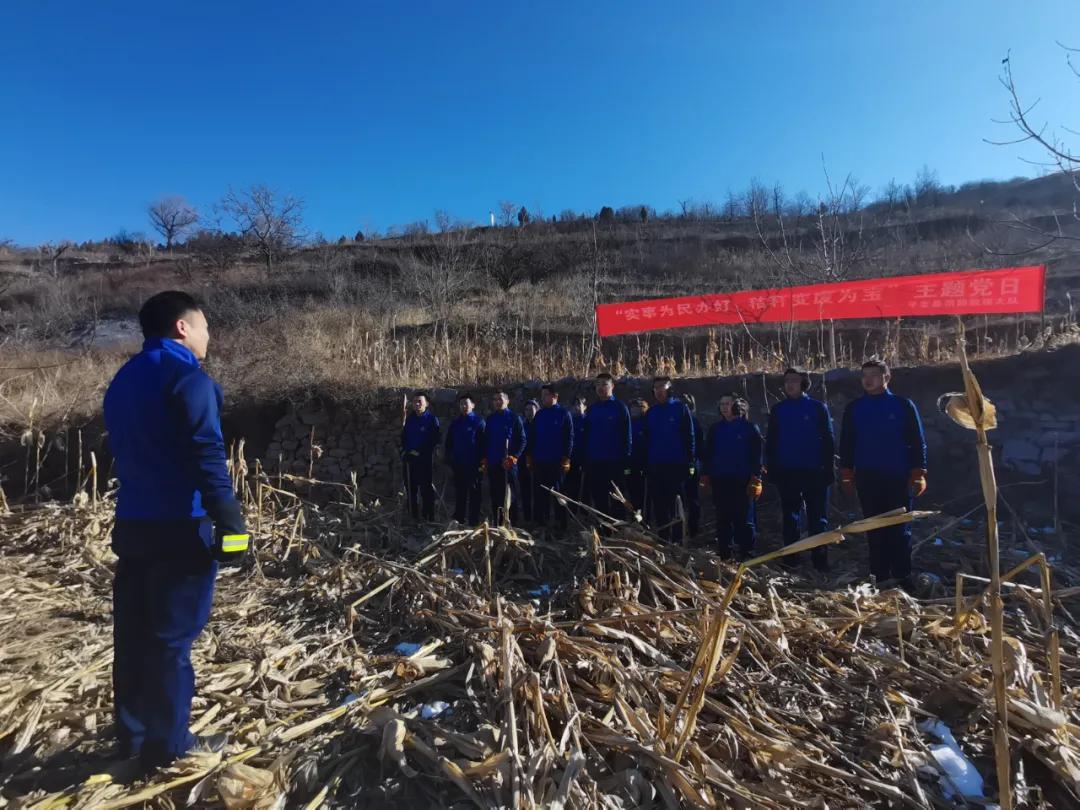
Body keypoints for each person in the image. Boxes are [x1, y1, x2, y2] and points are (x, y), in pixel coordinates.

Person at [103, 291, 247, 770]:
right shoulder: (188, 379)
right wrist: (230, 521)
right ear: (182, 328)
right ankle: (169, 746)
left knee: (134, 636)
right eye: (204, 326)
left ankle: (132, 735)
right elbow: (207, 453)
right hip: (180, 528)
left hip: (132, 525)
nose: (209, 336)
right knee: (170, 641)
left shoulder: (123, 379)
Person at [839, 359, 928, 587]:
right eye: (864, 375)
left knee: (899, 528)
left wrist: (918, 472)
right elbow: (847, 442)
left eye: (874, 375)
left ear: (886, 378)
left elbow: (916, 440)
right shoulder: (855, 408)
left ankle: (902, 575)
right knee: (874, 528)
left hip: (897, 475)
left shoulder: (902, 405)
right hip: (867, 476)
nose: (868, 380)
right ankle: (879, 577)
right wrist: (846, 472)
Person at [765, 367, 835, 571]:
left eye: (794, 380)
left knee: (817, 518)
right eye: (787, 380)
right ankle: (791, 559)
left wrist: (828, 468)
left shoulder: (817, 408)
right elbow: (771, 441)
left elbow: (828, 439)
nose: (790, 384)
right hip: (787, 471)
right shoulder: (778, 410)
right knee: (790, 517)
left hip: (814, 471)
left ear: (804, 383)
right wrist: (772, 467)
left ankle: (820, 561)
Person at [700, 395, 763, 559]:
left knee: (744, 519)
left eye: (727, 403)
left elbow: (757, 455)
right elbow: (708, 454)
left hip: (743, 480)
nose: (724, 407)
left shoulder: (750, 428)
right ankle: (725, 554)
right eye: (721, 404)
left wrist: (757, 478)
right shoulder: (715, 429)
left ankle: (747, 554)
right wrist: (705, 474)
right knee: (723, 518)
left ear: (737, 405)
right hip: (720, 479)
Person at [645, 376, 696, 542]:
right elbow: (646, 439)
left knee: (676, 504)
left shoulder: (680, 408)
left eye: (662, 386)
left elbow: (690, 436)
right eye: (656, 387)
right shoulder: (651, 412)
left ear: (669, 388)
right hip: (655, 465)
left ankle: (678, 540)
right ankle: (663, 539)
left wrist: (690, 461)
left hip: (676, 464)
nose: (659, 390)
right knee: (659, 506)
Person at [583, 373, 632, 515]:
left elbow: (627, 435)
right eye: (598, 384)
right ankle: (603, 527)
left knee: (617, 499)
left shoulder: (620, 407)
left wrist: (626, 458)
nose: (600, 387)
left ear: (612, 386)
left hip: (615, 461)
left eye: (604, 384)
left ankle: (619, 526)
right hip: (595, 462)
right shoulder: (592, 409)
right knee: (599, 499)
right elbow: (586, 435)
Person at [529, 385, 574, 528]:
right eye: (541, 395)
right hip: (540, 461)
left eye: (545, 395)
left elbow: (569, 438)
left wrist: (566, 458)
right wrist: (530, 456)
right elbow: (533, 437)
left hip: (557, 462)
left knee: (558, 495)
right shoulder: (539, 415)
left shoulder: (564, 414)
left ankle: (561, 525)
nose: (542, 398)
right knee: (540, 495)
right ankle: (542, 524)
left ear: (555, 396)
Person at [484, 391, 527, 525]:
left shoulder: (514, 418)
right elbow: (486, 441)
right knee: (495, 496)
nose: (498, 402)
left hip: (508, 464)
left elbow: (522, 440)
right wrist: (485, 459)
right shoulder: (490, 419)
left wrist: (514, 457)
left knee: (510, 496)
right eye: (495, 399)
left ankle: (511, 525)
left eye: (500, 399)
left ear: (507, 401)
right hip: (493, 463)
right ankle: (497, 524)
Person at [445, 394, 486, 525]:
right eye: (461, 404)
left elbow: (484, 444)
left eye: (466, 403)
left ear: (473, 405)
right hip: (458, 465)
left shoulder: (479, 422)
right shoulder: (455, 423)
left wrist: (483, 463)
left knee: (475, 494)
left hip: (474, 465)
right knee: (460, 493)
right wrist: (448, 459)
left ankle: (473, 522)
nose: (463, 406)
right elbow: (449, 443)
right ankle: (459, 520)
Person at [400, 392, 441, 521]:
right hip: (409, 461)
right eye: (415, 402)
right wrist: (404, 452)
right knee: (410, 489)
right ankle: (413, 516)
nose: (417, 404)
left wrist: (417, 453)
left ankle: (428, 517)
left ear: (426, 403)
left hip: (424, 460)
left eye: (420, 401)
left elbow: (433, 441)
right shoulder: (409, 420)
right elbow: (404, 439)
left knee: (425, 489)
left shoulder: (431, 420)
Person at [683, 393, 704, 538]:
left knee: (692, 497)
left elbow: (699, 446)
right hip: (678, 463)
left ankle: (693, 528)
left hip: (692, 465)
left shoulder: (695, 423)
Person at [627, 399, 650, 518]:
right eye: (632, 407)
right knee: (631, 491)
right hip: (630, 463)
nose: (634, 410)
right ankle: (634, 517)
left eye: (637, 407)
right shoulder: (628, 423)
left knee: (643, 493)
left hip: (643, 463)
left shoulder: (646, 423)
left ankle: (645, 518)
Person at [564, 396, 588, 507]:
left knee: (585, 487)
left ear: (585, 407)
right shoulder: (570, 421)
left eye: (579, 404)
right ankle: (573, 509)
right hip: (571, 457)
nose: (576, 407)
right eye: (574, 405)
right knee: (572, 486)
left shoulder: (587, 420)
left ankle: (584, 510)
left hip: (585, 457)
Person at [520, 399, 540, 522]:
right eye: (526, 410)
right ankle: (527, 518)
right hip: (523, 462)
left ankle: (538, 518)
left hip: (538, 461)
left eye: (531, 409)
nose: (529, 412)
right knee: (525, 491)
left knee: (538, 491)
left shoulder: (540, 425)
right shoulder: (522, 426)